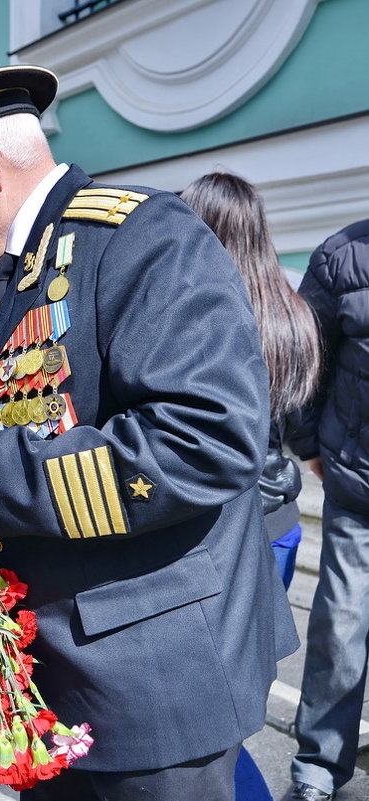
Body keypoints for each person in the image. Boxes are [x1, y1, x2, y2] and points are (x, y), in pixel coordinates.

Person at [0, 66, 299, 800]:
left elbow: (208, 439)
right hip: (58, 683)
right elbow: (9, 432)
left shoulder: (144, 236)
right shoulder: (22, 270)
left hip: (149, 687)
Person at [182, 172, 323, 801]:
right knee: (242, 695)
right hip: (280, 520)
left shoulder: (197, 306)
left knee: (207, 721)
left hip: (221, 533)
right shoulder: (290, 309)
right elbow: (300, 421)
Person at [284, 217, 369, 801]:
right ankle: (316, 771)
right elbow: (304, 360)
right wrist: (312, 446)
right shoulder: (342, 255)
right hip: (358, 489)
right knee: (341, 628)